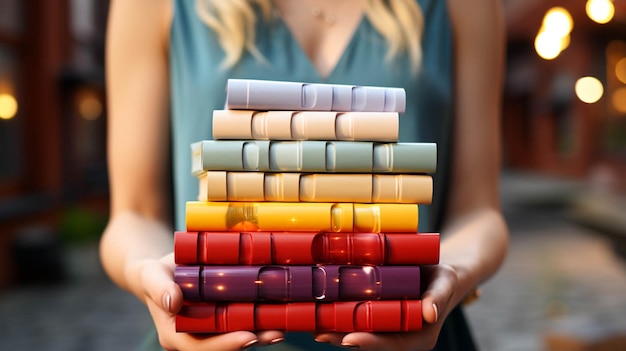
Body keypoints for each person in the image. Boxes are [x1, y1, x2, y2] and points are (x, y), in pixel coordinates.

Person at [100, 0, 509, 350]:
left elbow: (478, 211)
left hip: (406, 323)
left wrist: (450, 275)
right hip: (214, 328)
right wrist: (149, 272)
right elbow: (134, 213)